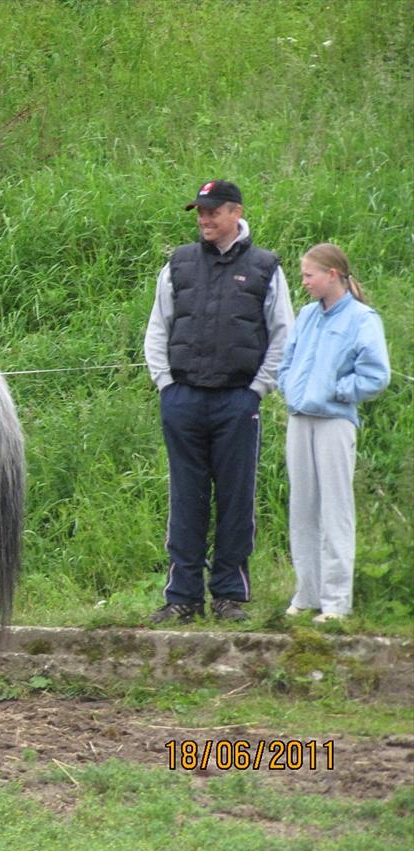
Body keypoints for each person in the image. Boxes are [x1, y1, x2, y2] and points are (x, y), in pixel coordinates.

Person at [144, 180, 294, 623]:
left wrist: (257, 389)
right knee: (185, 499)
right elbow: (158, 327)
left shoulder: (266, 267)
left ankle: (230, 595)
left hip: (237, 400)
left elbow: (283, 332)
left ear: (235, 213)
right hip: (184, 398)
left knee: (236, 499)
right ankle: (182, 597)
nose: (204, 220)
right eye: (200, 213)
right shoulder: (179, 263)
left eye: (212, 212)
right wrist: (166, 385)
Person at [278, 244, 390, 622]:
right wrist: (290, 387)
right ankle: (306, 594)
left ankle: (336, 602)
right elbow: (288, 359)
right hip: (300, 419)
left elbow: (376, 375)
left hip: (334, 422)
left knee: (335, 509)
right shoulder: (308, 315)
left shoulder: (361, 318)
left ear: (332, 275)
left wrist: (337, 392)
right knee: (303, 507)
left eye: (310, 275)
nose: (304, 281)